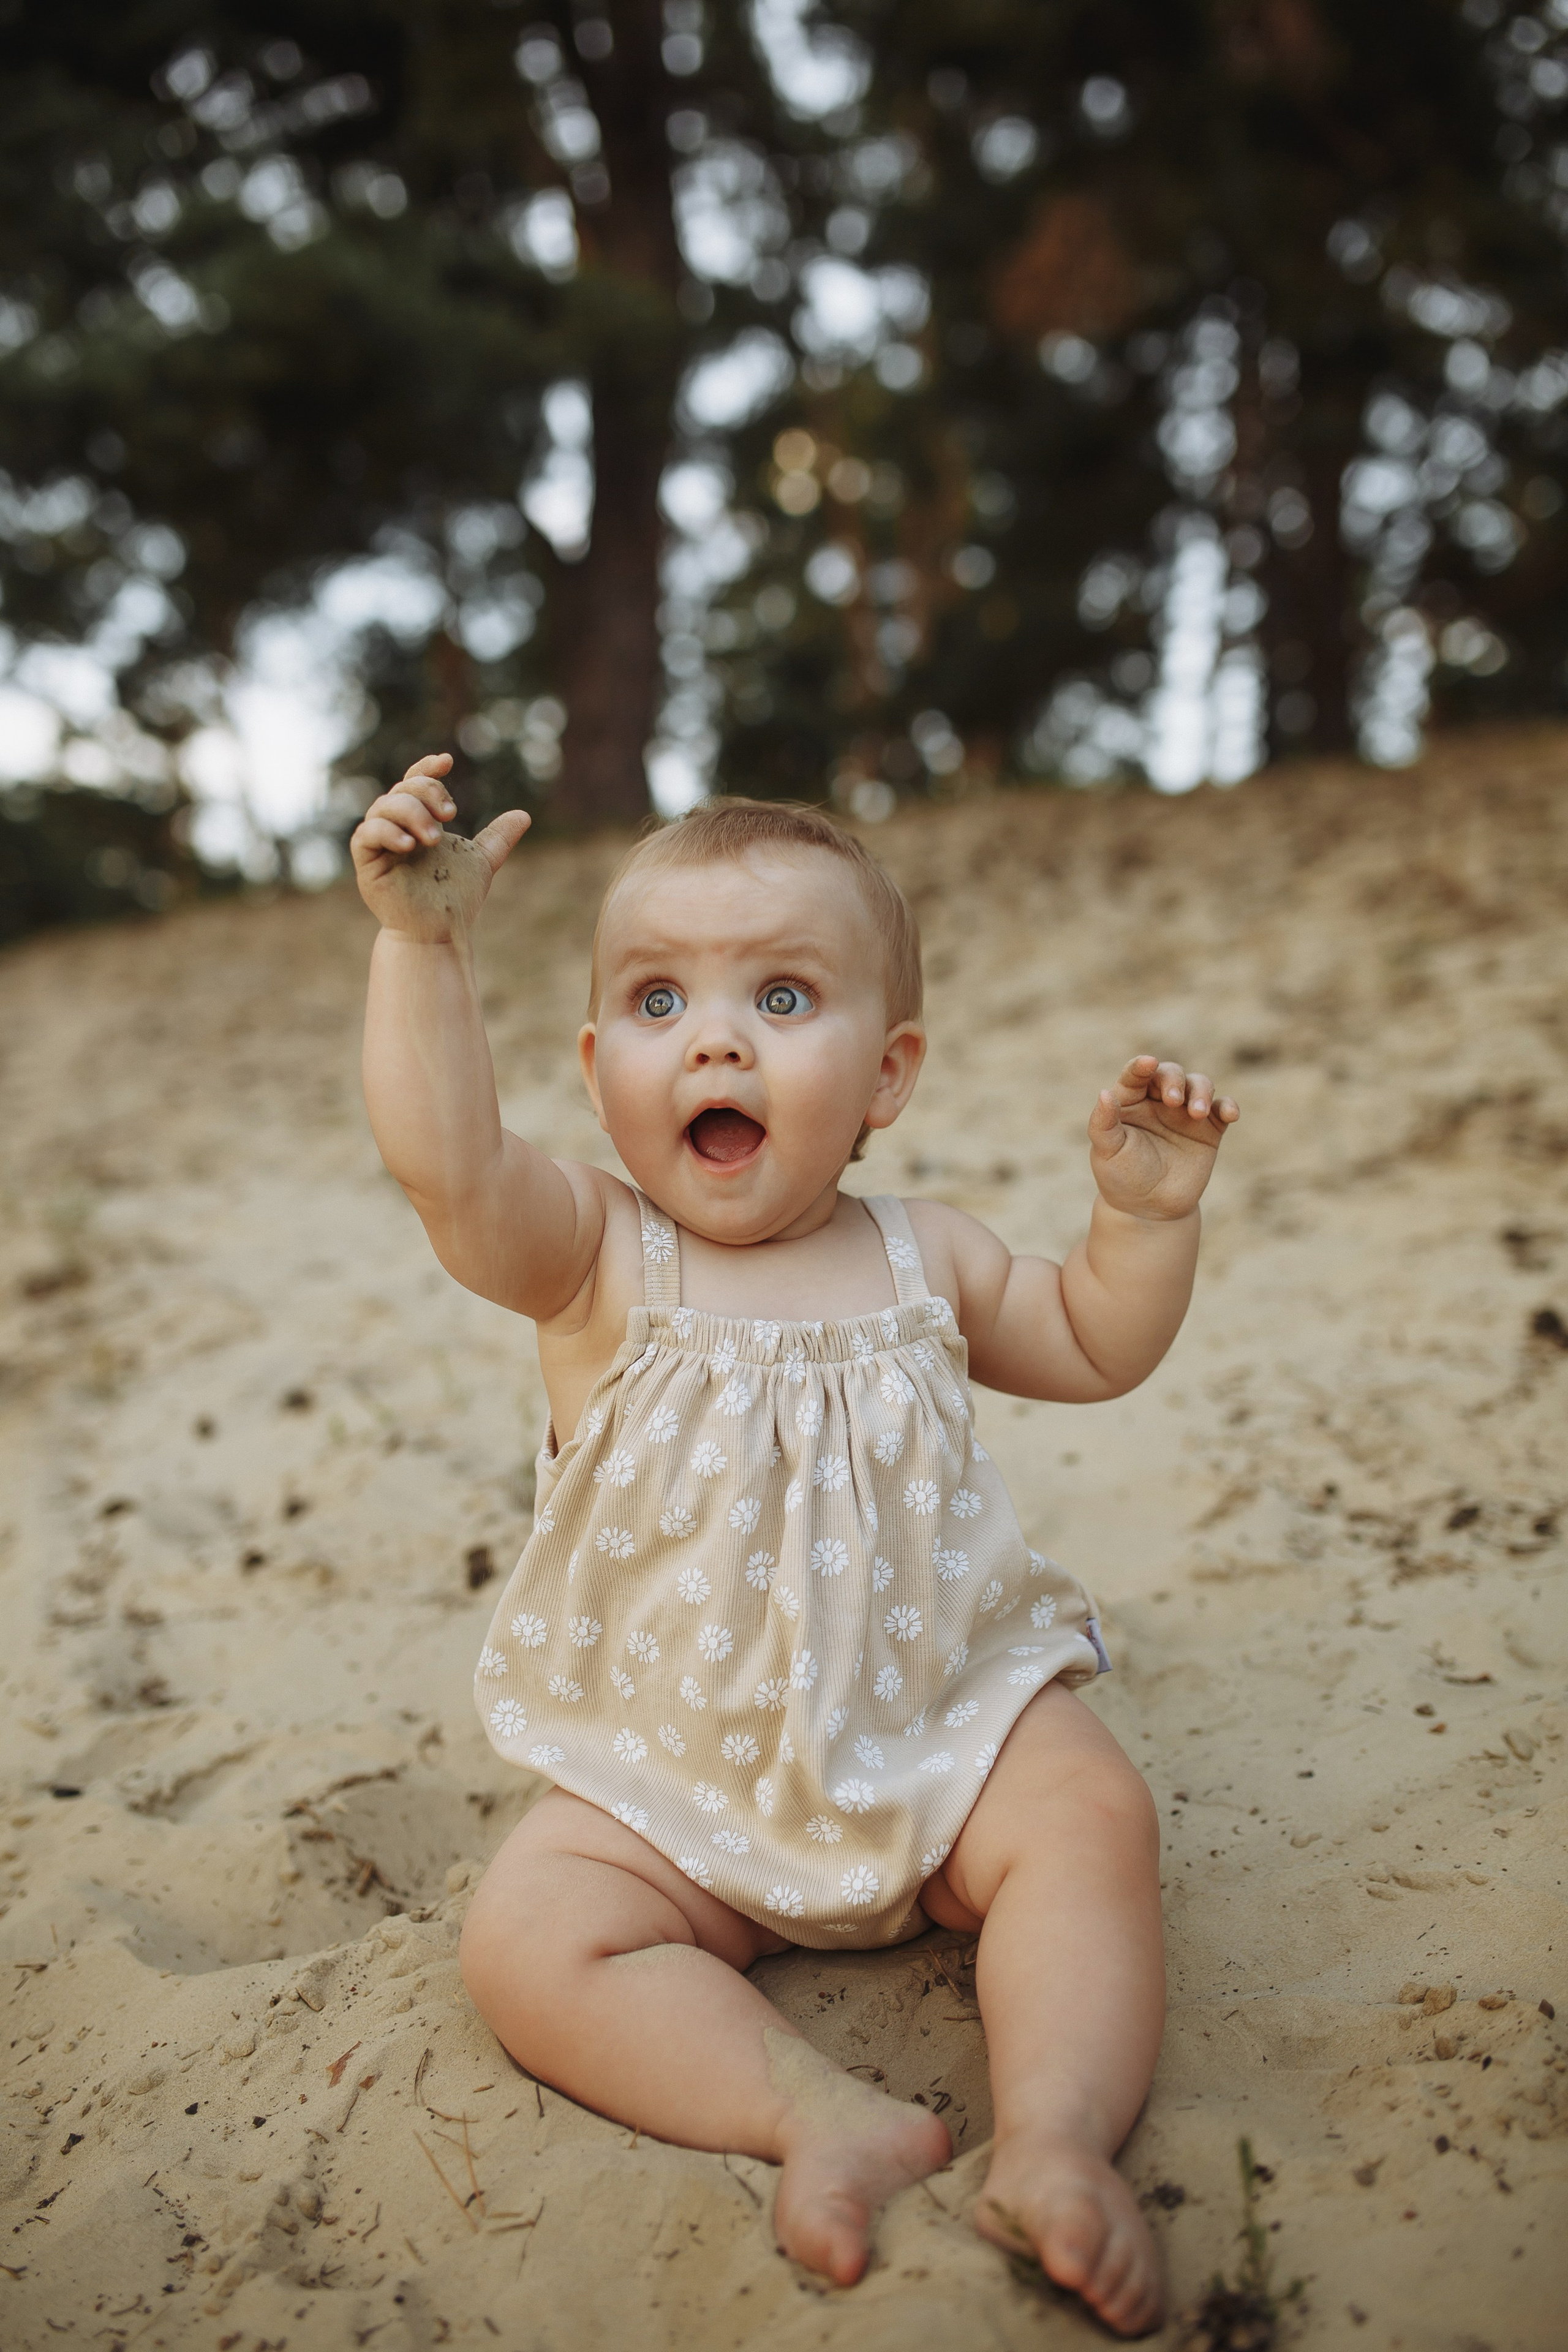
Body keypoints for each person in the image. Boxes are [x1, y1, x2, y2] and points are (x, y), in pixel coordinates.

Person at [352, 755, 1239, 2339]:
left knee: (1091, 1809)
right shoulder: (598, 1257)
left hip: (935, 1730)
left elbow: (1098, 1346)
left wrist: (1144, 1230)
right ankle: (807, 2111)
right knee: (531, 1937)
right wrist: (424, 954)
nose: (711, 1037)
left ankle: (1053, 2139)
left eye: (779, 998)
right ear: (595, 1059)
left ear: (888, 1074)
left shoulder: (933, 1256)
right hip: (676, 1777)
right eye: (656, 1002)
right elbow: (449, 1167)